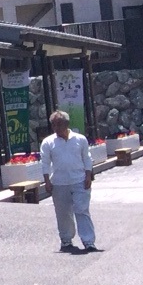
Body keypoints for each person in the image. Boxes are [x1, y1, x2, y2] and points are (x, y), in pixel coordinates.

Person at [40, 109, 98, 254]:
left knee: (82, 210)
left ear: (66, 124)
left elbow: (87, 158)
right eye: (53, 125)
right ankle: (66, 240)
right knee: (63, 213)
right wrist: (47, 181)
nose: (56, 128)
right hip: (59, 183)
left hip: (79, 180)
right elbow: (45, 163)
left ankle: (88, 241)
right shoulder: (48, 142)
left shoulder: (80, 139)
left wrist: (88, 175)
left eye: (59, 124)